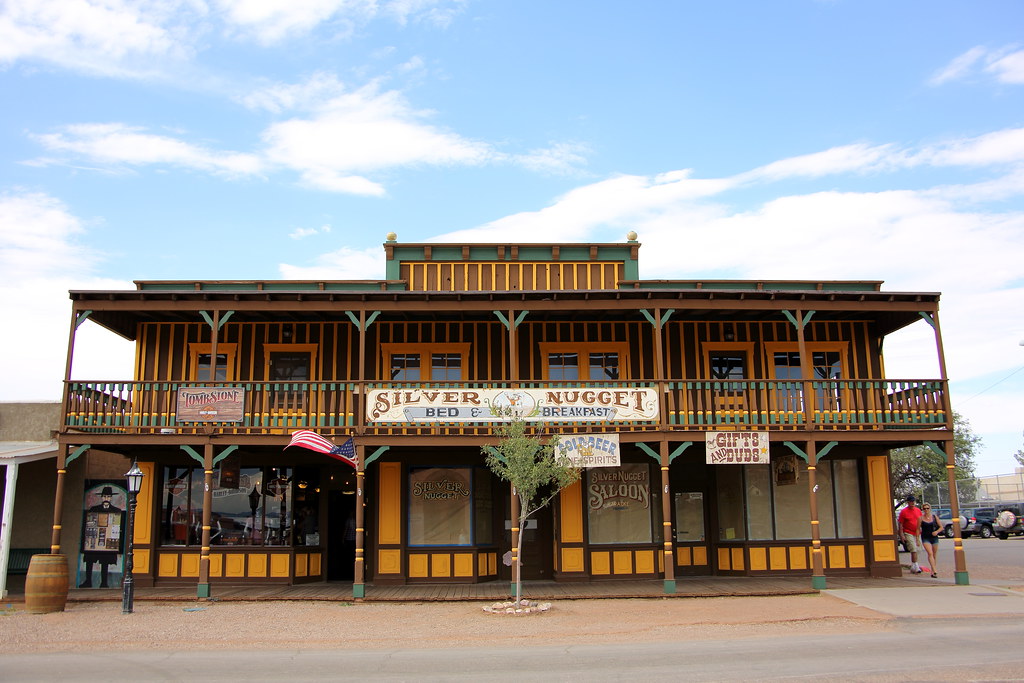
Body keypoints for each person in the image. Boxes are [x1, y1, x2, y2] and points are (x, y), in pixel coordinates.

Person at [79, 486, 125, 588]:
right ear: (102, 497)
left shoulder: (116, 510)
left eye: (108, 497)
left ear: (111, 498)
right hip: (94, 540)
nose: (106, 498)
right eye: (104, 496)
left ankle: (104, 583)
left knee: (105, 561)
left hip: (108, 541)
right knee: (89, 560)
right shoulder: (94, 509)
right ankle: (88, 581)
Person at [897, 495, 924, 574]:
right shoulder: (904, 512)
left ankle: (913, 565)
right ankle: (916, 565)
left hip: (917, 532)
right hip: (908, 532)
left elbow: (920, 521)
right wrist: (901, 535)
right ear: (908, 502)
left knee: (918, 549)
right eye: (911, 501)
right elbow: (900, 523)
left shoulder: (918, 510)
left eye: (913, 501)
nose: (913, 503)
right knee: (913, 548)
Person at [919, 503, 942, 578]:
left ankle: (932, 571)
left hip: (934, 537)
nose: (926, 510)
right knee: (930, 553)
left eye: (927, 508)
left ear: (930, 509)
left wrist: (937, 532)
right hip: (925, 537)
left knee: (934, 554)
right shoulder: (921, 518)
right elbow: (917, 529)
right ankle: (935, 570)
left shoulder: (934, 517)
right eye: (924, 508)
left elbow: (941, 527)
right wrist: (917, 539)